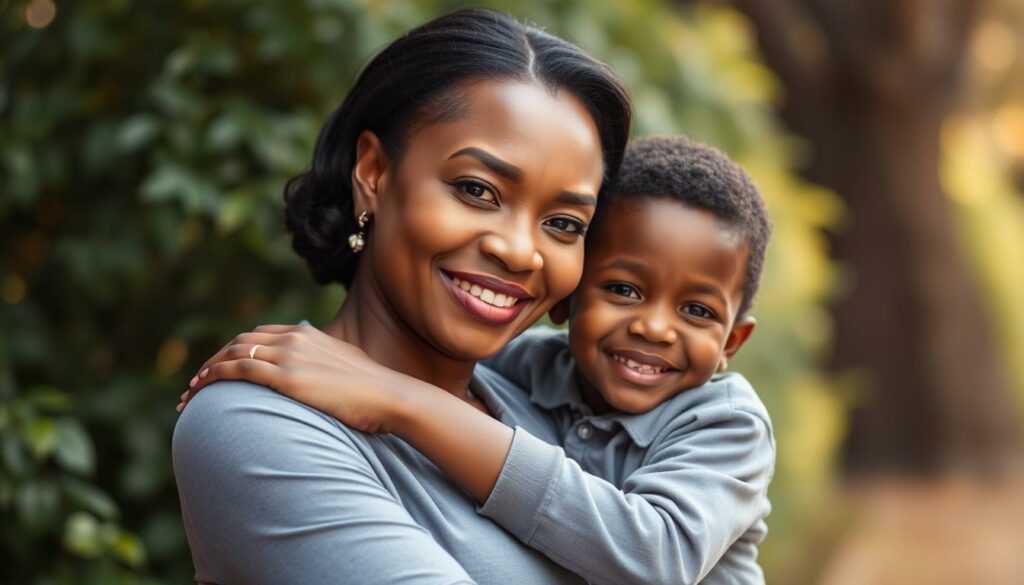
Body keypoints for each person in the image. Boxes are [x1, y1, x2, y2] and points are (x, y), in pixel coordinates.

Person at [183, 137, 775, 584]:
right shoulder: (524, 369)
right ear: (568, 299)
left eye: (697, 311)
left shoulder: (725, 422)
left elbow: (657, 555)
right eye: (623, 290)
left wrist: (402, 401)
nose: (654, 327)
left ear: (732, 342)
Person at [172, 7, 630, 585]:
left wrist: (400, 400)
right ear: (374, 172)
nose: (520, 252)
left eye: (564, 223)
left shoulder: (553, 416)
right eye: (477, 190)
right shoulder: (255, 421)